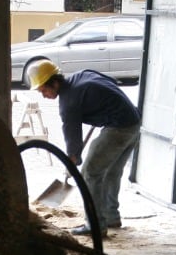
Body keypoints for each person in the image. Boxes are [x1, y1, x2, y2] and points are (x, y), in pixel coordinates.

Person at [28, 60, 141, 237]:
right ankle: (111, 216)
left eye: (44, 90)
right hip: (134, 123)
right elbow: (110, 83)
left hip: (118, 128)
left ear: (54, 81)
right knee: (112, 171)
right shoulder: (81, 76)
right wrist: (100, 111)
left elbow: (71, 132)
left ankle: (95, 225)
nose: (43, 95)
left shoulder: (69, 102)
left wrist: (72, 159)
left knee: (91, 173)